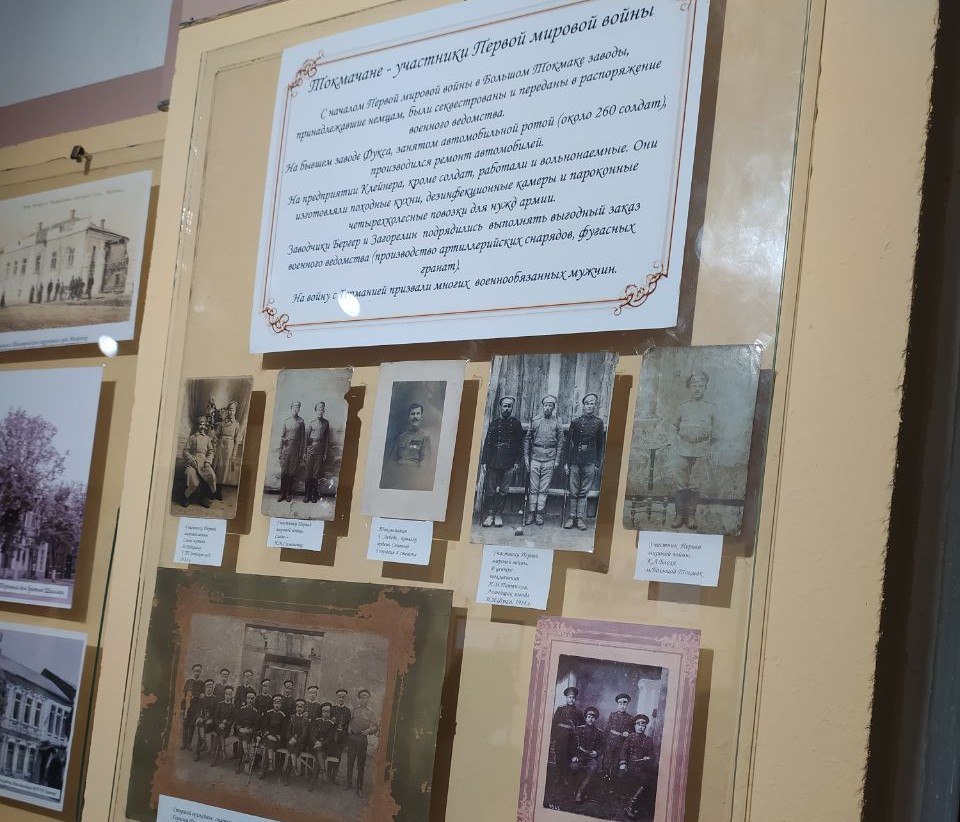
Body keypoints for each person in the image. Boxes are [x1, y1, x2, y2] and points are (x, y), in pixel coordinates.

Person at [671, 371, 716, 530]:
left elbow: (716, 432)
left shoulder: (711, 408)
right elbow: (673, 427)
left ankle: (690, 516)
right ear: (690, 387)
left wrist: (712, 448)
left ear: (705, 387)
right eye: (694, 385)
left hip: (701, 449)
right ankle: (679, 515)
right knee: (680, 483)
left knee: (695, 484)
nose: (697, 388)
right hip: (683, 448)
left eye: (700, 385)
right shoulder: (682, 407)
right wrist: (673, 445)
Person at [479, 396, 524, 527]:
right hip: (493, 460)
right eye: (505, 406)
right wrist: (484, 462)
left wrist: (517, 462)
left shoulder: (516, 424)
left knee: (504, 490)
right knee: (490, 490)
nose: (507, 409)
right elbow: (487, 443)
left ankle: (498, 515)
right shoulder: (494, 423)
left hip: (509, 462)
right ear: (500, 407)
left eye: (509, 406)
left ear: (512, 408)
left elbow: (520, 445)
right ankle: (490, 514)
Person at [563, 393, 606, 530]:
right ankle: (571, 517)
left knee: (584, 491)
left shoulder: (599, 423)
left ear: (595, 406)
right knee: (573, 490)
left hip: (590, 460)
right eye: (587, 403)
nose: (589, 406)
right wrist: (567, 462)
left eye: (592, 403)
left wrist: (597, 464)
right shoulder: (575, 422)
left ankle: (580, 518)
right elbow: (568, 444)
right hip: (575, 459)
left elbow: (600, 446)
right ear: (584, 405)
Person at [524, 395, 564, 526]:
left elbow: (560, 443)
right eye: (546, 405)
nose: (547, 408)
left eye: (550, 406)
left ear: (553, 407)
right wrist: (526, 459)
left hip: (549, 459)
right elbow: (527, 440)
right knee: (533, 488)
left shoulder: (557, 423)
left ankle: (539, 513)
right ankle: (531, 513)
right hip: (535, 458)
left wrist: (557, 460)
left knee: (544, 488)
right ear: (543, 406)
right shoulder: (535, 421)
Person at [619, 714, 658, 820]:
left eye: (643, 725)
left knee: (646, 781)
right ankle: (629, 803)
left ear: (645, 727)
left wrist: (648, 757)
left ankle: (631, 803)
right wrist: (623, 763)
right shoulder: (630, 737)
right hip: (629, 766)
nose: (640, 727)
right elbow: (623, 752)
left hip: (642, 767)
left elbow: (652, 755)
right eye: (638, 725)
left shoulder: (648, 740)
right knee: (629, 780)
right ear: (635, 726)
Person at [344, 689, 378, 796]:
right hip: (352, 738)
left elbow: (375, 727)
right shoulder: (354, 710)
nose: (363, 699)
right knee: (350, 762)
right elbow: (349, 722)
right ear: (359, 699)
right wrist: (349, 729)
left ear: (368, 699)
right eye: (361, 697)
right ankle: (348, 783)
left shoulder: (370, 712)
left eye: (365, 697)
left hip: (362, 739)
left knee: (361, 764)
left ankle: (360, 787)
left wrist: (369, 730)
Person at [180, 416, 216, 507]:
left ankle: (204, 498)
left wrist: (208, 462)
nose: (202, 426)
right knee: (190, 474)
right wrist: (191, 460)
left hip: (204, 462)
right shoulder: (192, 437)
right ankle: (186, 497)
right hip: (194, 462)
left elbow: (211, 452)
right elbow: (185, 451)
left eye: (204, 424)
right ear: (197, 426)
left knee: (211, 475)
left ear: (206, 426)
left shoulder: (207, 439)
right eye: (200, 424)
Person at [571, 707, 604, 803]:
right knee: (574, 767)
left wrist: (597, 753)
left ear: (595, 719)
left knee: (593, 768)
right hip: (579, 756)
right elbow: (572, 745)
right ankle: (575, 789)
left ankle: (580, 792)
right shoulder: (579, 729)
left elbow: (602, 747)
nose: (590, 719)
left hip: (591, 758)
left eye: (593, 717)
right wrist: (574, 756)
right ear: (585, 718)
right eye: (589, 717)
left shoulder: (599, 732)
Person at [391, 402, 432, 477]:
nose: (415, 417)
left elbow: (425, 461)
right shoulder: (401, 437)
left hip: (413, 476)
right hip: (397, 475)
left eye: (418, 414)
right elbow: (393, 459)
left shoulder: (425, 437)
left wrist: (416, 478)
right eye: (412, 414)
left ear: (421, 417)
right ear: (408, 417)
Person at [551, 687, 584, 777]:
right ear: (566, 698)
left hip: (571, 738)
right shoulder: (560, 709)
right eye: (570, 697)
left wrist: (577, 737)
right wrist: (553, 738)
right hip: (560, 736)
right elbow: (554, 724)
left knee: (568, 756)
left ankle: (565, 777)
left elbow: (582, 726)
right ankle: (559, 775)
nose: (571, 699)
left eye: (573, 698)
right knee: (559, 755)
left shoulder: (578, 711)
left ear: (575, 699)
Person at [213, 401, 242, 500]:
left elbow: (237, 441)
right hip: (220, 447)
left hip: (229, 448)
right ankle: (213, 490)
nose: (230, 412)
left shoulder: (236, 424)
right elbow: (216, 436)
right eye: (229, 409)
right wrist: (214, 448)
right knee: (217, 468)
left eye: (232, 410)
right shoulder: (222, 423)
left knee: (224, 470)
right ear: (227, 410)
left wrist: (234, 455)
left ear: (235, 411)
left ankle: (219, 491)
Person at [278, 401, 306, 503]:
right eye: (294, 407)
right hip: (285, 451)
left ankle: (288, 494)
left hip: (295, 451)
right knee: (283, 473)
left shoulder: (301, 421)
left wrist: (301, 453)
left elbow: (303, 439)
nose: (295, 409)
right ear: (291, 408)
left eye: (297, 407)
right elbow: (282, 437)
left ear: (299, 409)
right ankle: (282, 494)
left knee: (291, 473)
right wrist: (280, 452)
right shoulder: (287, 421)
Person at [303, 402, 330, 503]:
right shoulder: (312, 423)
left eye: (322, 409)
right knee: (308, 474)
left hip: (320, 452)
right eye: (318, 409)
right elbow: (307, 439)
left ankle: (313, 495)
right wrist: (305, 452)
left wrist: (325, 453)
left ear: (324, 411)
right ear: (316, 411)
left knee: (315, 474)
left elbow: (327, 440)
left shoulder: (326, 423)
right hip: (310, 451)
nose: (320, 411)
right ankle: (307, 495)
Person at [308, 702, 338, 790]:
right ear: (321, 712)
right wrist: (316, 742)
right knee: (318, 752)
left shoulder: (331, 724)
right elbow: (311, 734)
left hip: (325, 748)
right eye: (324, 711)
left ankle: (312, 781)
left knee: (319, 758)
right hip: (314, 746)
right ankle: (322, 770)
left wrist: (321, 743)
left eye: (328, 712)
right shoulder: (316, 721)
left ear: (330, 713)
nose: (326, 713)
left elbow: (330, 738)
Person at [603, 693, 635, 778]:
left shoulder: (630, 718)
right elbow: (607, 728)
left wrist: (627, 732)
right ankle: (605, 778)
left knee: (616, 763)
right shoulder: (612, 715)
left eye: (624, 704)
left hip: (622, 744)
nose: (622, 706)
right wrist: (605, 742)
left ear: (627, 705)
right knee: (607, 761)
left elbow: (632, 730)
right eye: (620, 703)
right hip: (610, 742)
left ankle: (613, 780)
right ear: (618, 704)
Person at [282, 699, 311, 784]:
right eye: (298, 707)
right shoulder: (291, 718)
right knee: (291, 747)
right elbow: (287, 731)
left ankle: (287, 775)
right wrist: (291, 738)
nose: (299, 709)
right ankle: (292, 769)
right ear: (295, 708)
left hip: (300, 743)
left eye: (301, 707)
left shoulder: (306, 720)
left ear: (304, 708)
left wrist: (297, 740)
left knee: (293, 752)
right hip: (291, 741)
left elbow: (304, 734)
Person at [259, 695, 287, 779]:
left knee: (268, 746)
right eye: (275, 703)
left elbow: (283, 730)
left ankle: (265, 768)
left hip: (276, 738)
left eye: (279, 703)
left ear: (281, 705)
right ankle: (268, 765)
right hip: (268, 736)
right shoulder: (268, 713)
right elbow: (264, 726)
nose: (277, 705)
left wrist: (277, 737)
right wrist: (268, 735)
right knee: (267, 744)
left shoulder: (283, 716)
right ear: (273, 704)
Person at [233, 691, 261, 774]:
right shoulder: (241, 710)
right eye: (249, 698)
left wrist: (249, 730)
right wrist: (240, 728)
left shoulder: (256, 712)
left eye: (252, 699)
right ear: (246, 699)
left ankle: (239, 762)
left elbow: (256, 726)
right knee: (242, 735)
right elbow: (237, 722)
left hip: (250, 733)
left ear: (254, 700)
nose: (250, 700)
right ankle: (246, 757)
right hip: (241, 730)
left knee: (242, 741)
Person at [328, 688, 351, 784]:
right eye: (339, 697)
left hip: (342, 737)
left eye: (343, 697)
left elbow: (348, 725)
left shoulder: (347, 710)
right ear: (337, 698)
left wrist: (346, 739)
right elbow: (328, 722)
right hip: (332, 736)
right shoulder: (333, 708)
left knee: (338, 756)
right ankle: (328, 775)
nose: (341, 699)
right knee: (330, 755)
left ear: (345, 698)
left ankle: (334, 777)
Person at [210, 685, 237, 766]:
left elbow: (232, 719)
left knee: (217, 735)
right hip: (218, 726)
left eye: (229, 694)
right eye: (226, 693)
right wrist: (219, 724)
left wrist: (226, 724)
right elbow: (215, 716)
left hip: (226, 729)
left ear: (231, 696)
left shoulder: (232, 707)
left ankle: (214, 758)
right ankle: (223, 752)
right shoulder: (220, 704)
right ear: (224, 695)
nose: (228, 696)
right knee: (218, 735)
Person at [180, 664, 205, 749]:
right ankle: (184, 743)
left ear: (200, 672)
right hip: (187, 707)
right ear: (193, 672)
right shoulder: (188, 682)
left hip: (196, 708)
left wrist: (196, 696)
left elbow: (202, 696)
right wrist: (182, 708)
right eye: (195, 671)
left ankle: (189, 743)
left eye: (199, 671)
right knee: (185, 725)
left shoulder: (202, 684)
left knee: (192, 726)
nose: (197, 673)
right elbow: (183, 695)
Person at [193, 680, 218, 761]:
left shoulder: (215, 699)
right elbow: (198, 710)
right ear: (205, 688)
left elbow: (216, 713)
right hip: (204, 720)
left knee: (201, 728)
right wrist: (199, 717)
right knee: (200, 724)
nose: (209, 688)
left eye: (210, 687)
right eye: (207, 687)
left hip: (212, 723)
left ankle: (203, 746)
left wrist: (212, 720)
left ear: (212, 688)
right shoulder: (202, 698)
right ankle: (203, 745)